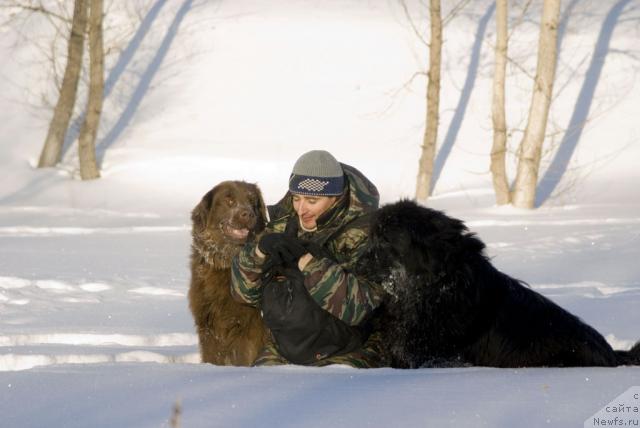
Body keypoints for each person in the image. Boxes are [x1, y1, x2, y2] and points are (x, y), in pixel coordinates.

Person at [230, 150, 386, 367]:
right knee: (258, 393)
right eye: (296, 198)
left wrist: (309, 263)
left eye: (312, 200)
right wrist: (259, 252)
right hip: (286, 348)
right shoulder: (283, 226)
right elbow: (242, 294)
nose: (301, 209)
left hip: (349, 350)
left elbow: (359, 309)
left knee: (330, 397)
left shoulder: (370, 235)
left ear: (335, 197)